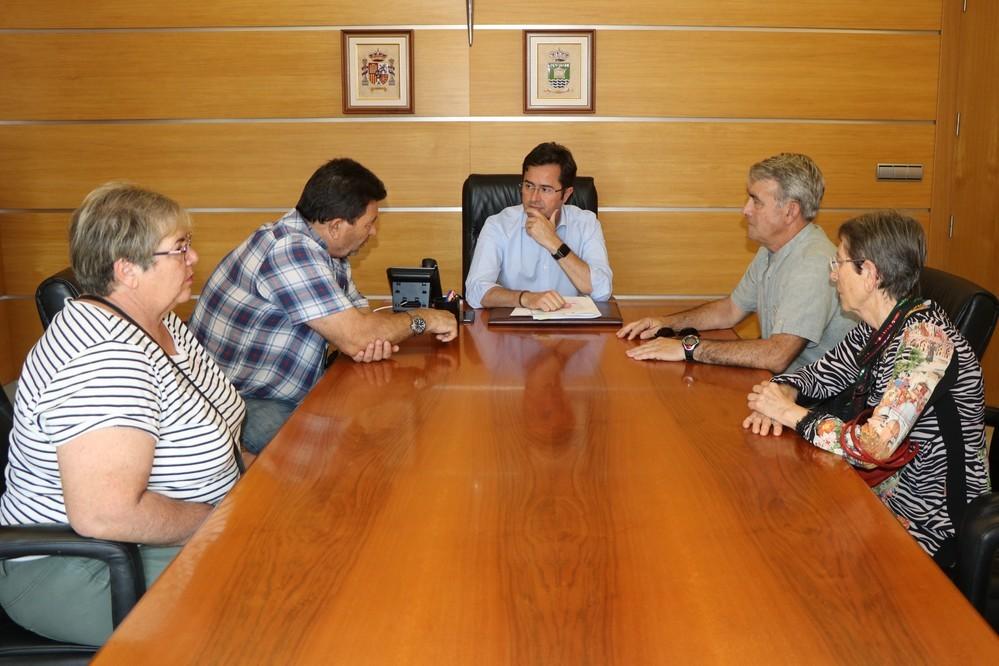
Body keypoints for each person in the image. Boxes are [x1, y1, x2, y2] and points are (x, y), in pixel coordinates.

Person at [0, 183, 245, 646]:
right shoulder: (105, 358)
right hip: (84, 569)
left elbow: (218, 425)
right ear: (128, 270)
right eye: (180, 248)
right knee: (269, 612)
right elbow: (105, 515)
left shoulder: (160, 321)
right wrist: (223, 521)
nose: (194, 258)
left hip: (154, 541)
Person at [744, 210, 989, 563]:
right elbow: (821, 373)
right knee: (775, 523)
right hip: (878, 494)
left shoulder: (926, 344)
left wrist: (791, 414)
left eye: (839, 263)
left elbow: (874, 446)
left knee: (794, 554)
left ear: (870, 274)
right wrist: (781, 390)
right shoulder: (880, 326)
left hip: (930, 523)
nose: (832, 275)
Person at [190, 158, 457, 453]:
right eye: (369, 224)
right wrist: (423, 319)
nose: (373, 233)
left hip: (281, 390)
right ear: (335, 226)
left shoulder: (327, 250)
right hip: (240, 401)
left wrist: (365, 336)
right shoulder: (290, 250)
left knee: (372, 432)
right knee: (341, 457)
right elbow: (360, 335)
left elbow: (360, 322)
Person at [619, 153, 854, 373]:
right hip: (780, 390)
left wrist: (688, 348)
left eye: (756, 201)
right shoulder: (772, 249)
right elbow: (730, 310)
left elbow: (776, 355)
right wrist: (665, 323)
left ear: (790, 211)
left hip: (818, 405)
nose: (746, 210)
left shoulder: (813, 263)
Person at [464, 142, 613, 311]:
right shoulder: (498, 225)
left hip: (570, 330)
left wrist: (554, 242)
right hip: (513, 332)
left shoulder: (586, 223)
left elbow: (602, 291)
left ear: (566, 195)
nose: (534, 198)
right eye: (528, 186)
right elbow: (475, 292)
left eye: (545, 189)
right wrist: (526, 298)